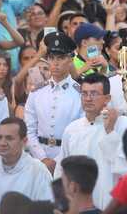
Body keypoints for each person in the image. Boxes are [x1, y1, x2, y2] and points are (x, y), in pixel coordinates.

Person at [54, 73, 127, 209]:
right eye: (84, 94)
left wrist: (110, 132)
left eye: (94, 93)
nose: (88, 99)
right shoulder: (72, 129)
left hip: (113, 206)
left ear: (107, 98)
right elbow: (61, 170)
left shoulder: (124, 125)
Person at [25, 32, 83, 172]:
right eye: (51, 58)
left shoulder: (80, 93)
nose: (55, 63)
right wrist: (42, 158)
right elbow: (28, 129)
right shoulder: (37, 92)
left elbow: (81, 132)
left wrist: (57, 161)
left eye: (61, 58)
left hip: (68, 158)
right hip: (38, 158)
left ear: (70, 59)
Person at [0, 117, 53, 203]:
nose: (2, 143)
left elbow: (47, 208)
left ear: (24, 141)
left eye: (9, 138)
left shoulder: (38, 171)